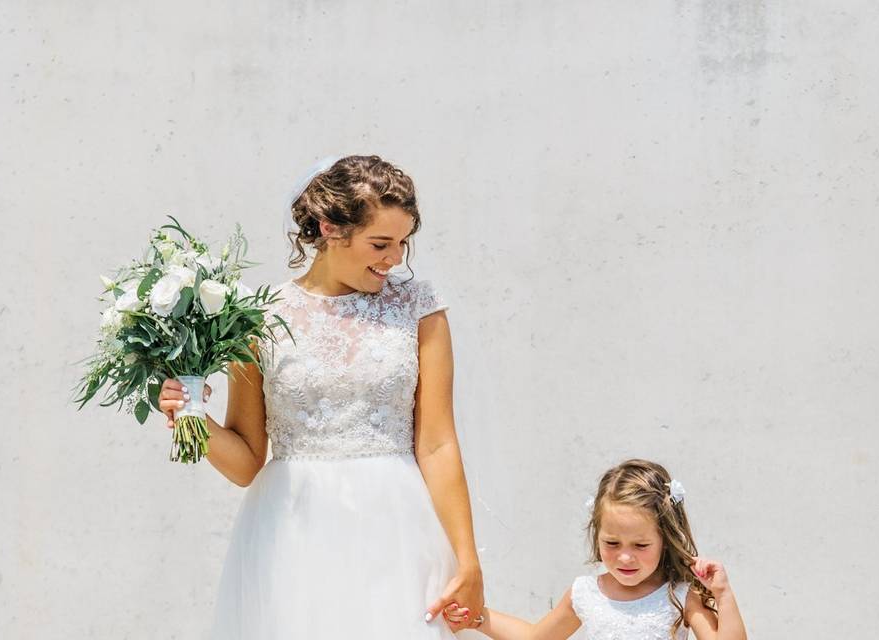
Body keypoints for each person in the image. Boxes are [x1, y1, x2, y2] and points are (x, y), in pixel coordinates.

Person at [157, 155, 485, 638]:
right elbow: (247, 462)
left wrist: (468, 559)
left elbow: (437, 442)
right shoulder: (258, 319)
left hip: (396, 529)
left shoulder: (419, 306)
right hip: (293, 535)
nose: (395, 258)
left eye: (403, 243)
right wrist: (191, 413)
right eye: (380, 243)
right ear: (330, 229)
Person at [447, 459, 747, 639]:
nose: (625, 556)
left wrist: (723, 594)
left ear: (665, 539)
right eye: (612, 543)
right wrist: (477, 617)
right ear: (597, 535)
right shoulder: (585, 593)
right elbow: (534, 637)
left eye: (641, 545)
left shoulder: (680, 595)